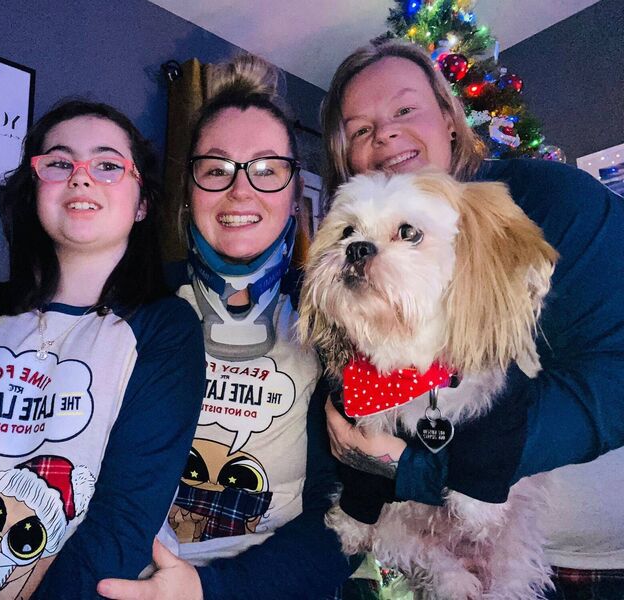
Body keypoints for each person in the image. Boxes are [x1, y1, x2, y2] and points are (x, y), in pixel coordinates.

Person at [319, 39, 624, 598]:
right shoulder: (357, 268)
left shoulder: (556, 200)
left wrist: (420, 471)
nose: (383, 135)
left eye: (404, 109)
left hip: (594, 563)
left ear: (450, 117)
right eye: (360, 130)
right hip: (419, 561)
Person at [0, 100, 206, 599]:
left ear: (142, 204)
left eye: (107, 164)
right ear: (34, 192)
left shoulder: (167, 329)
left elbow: (125, 516)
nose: (81, 177)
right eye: (59, 162)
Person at [96, 56, 363, 600]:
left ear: (294, 191)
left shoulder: (337, 320)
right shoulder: (130, 304)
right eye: (217, 169)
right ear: (188, 188)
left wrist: (210, 589)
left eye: (266, 169)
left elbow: (349, 517)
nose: (241, 190)